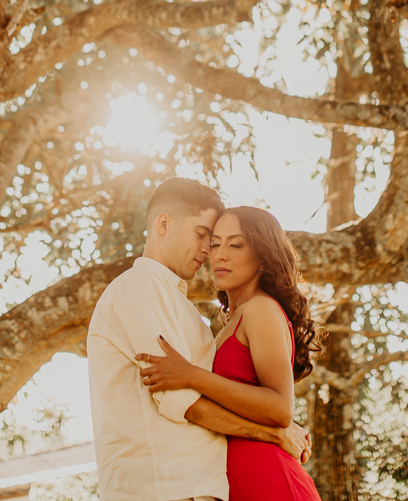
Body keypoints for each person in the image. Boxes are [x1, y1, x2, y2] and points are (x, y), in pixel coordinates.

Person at [88, 180, 311, 501]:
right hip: (164, 489)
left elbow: (235, 395)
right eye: (203, 235)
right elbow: (183, 401)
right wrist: (274, 433)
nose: (210, 251)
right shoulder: (140, 287)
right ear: (164, 224)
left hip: (205, 487)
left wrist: (279, 427)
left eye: (222, 242)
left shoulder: (189, 312)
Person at [136, 206, 324, 501]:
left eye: (235, 245)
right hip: (238, 483)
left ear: (263, 258)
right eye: (215, 244)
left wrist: (191, 375)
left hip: (271, 480)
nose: (219, 255)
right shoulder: (231, 322)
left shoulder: (261, 309)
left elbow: (280, 408)